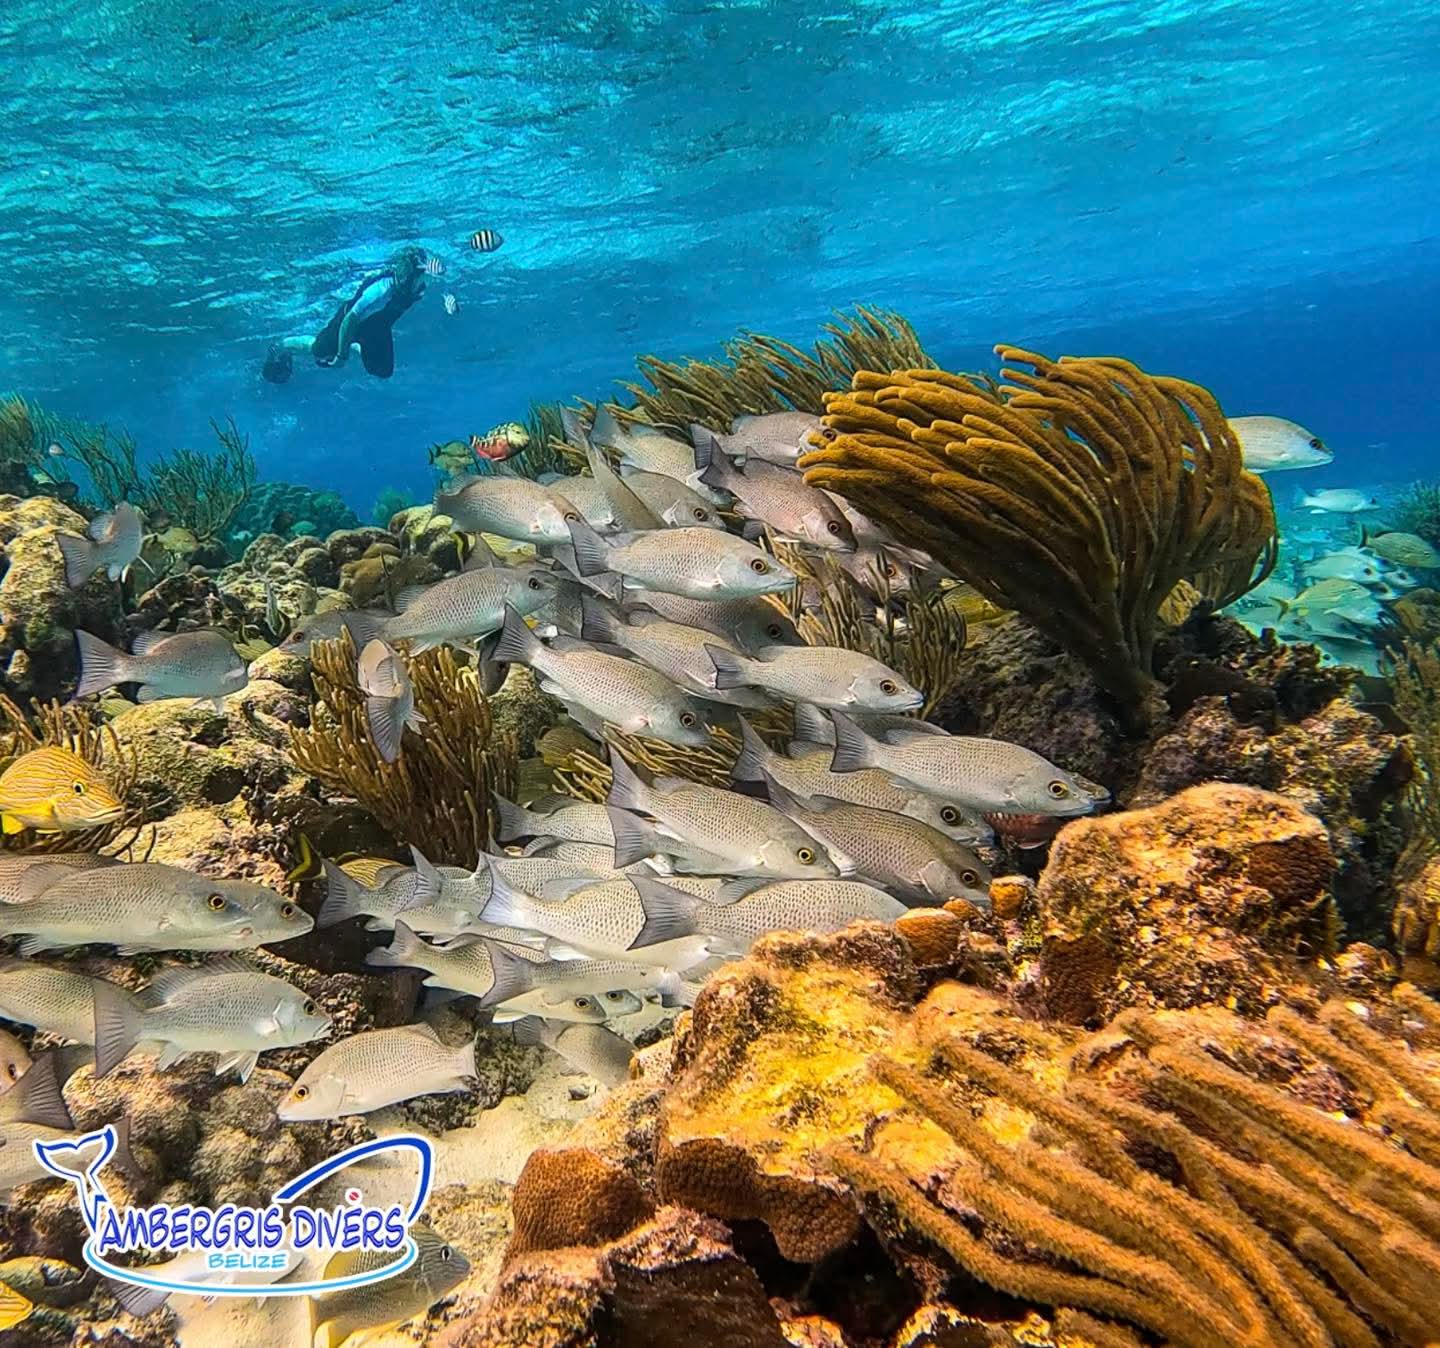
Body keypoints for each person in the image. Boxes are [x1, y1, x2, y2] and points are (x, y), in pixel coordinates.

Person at [261, 246, 428, 383]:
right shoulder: (381, 292)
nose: (424, 275)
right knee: (319, 350)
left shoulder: (418, 285)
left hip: (377, 327)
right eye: (420, 273)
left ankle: (356, 346)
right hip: (350, 324)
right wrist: (341, 356)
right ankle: (281, 346)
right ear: (407, 277)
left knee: (383, 371)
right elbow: (350, 319)